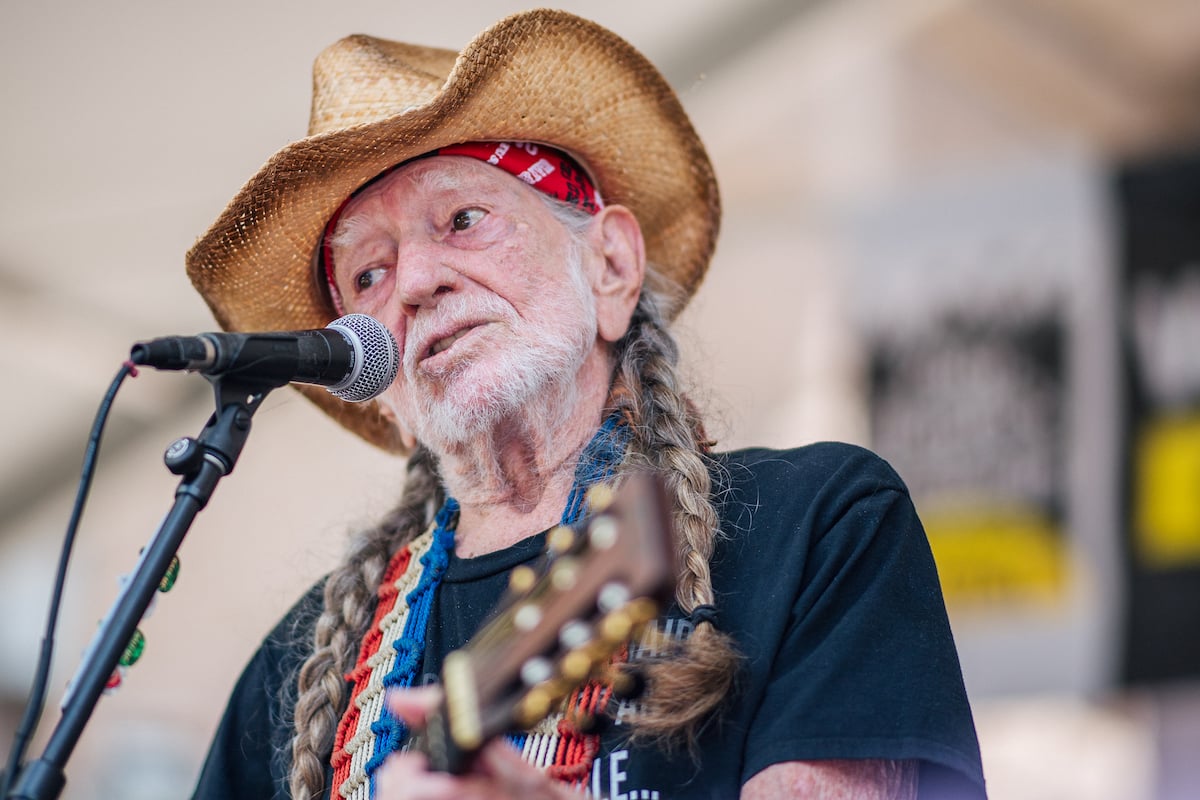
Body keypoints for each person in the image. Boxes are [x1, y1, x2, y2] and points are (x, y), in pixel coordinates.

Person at [187, 10, 985, 800]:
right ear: (382, 394)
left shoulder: (814, 524)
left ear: (609, 266)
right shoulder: (297, 669)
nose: (417, 282)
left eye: (463, 220)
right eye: (369, 275)